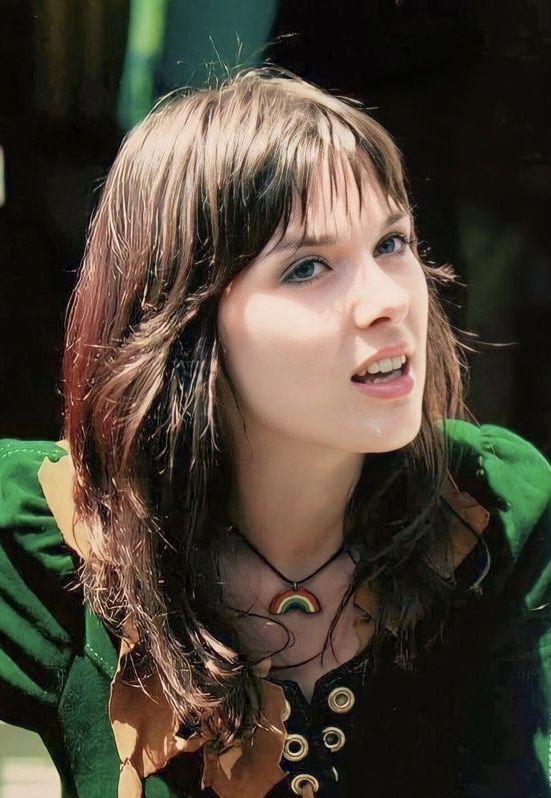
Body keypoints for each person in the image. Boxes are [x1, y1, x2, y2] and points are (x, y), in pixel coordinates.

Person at [0, 67, 550, 798]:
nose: (386, 301)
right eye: (309, 267)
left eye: (391, 243)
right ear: (187, 320)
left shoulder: (495, 517)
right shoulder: (62, 531)